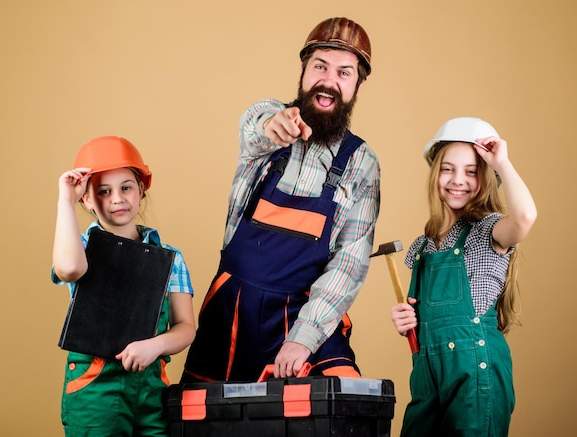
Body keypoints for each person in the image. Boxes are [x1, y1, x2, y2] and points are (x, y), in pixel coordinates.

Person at [181, 17, 380, 383]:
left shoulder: (361, 164)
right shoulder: (269, 126)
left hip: (305, 311)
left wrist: (303, 339)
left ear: (359, 85)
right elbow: (256, 125)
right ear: (304, 70)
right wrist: (274, 125)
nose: (329, 81)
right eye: (320, 66)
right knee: (203, 417)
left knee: (346, 401)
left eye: (344, 73)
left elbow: (349, 264)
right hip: (231, 309)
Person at [390, 117, 537, 436]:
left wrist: (502, 163)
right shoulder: (422, 246)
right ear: (434, 173)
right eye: (448, 168)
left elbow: (525, 217)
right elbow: (428, 320)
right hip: (428, 376)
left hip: (475, 375)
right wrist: (407, 320)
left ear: (487, 180)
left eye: (471, 171)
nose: (458, 179)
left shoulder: (488, 231)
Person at [51, 136, 196, 436]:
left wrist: (153, 346)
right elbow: (69, 268)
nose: (117, 198)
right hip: (95, 391)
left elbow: (186, 327)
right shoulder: (80, 248)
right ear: (87, 200)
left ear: (141, 190)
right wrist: (65, 199)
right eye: (104, 191)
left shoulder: (170, 259)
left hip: (152, 392)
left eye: (126, 187)